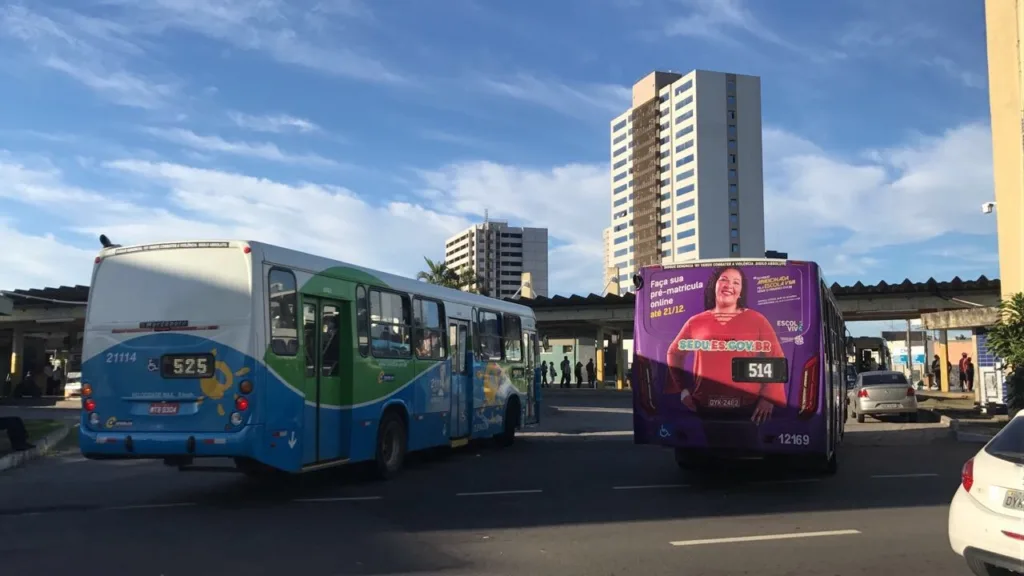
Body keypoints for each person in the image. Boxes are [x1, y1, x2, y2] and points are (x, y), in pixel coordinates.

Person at [665, 266, 785, 427]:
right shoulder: (695, 322)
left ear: (741, 291)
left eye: (736, 282)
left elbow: (776, 358)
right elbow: (674, 353)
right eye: (724, 280)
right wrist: (683, 390)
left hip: (748, 408)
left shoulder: (757, 319)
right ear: (714, 285)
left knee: (746, 450)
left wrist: (769, 398)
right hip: (704, 406)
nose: (729, 285)